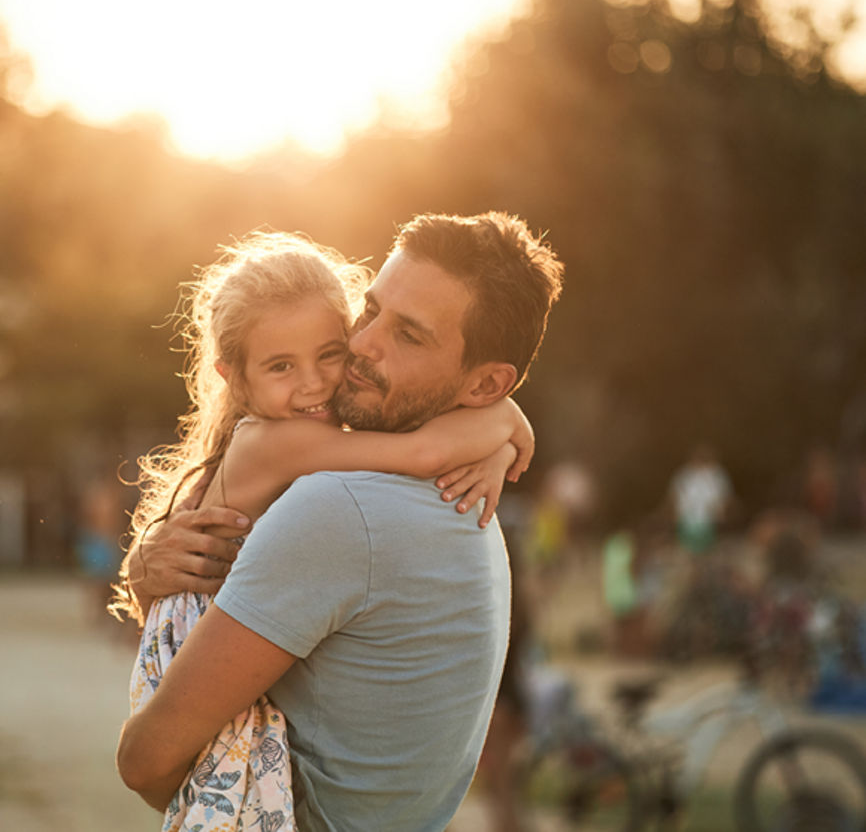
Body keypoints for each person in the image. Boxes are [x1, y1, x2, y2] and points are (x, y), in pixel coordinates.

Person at [116, 212, 564, 830]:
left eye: (408, 334)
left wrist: (503, 425)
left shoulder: (343, 509)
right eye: (371, 310)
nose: (361, 345)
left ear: (486, 381)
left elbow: (144, 763)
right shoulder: (460, 509)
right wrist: (503, 423)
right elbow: (422, 450)